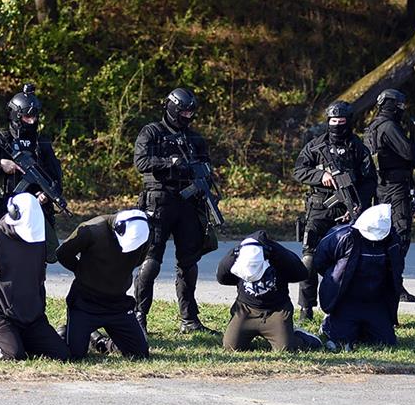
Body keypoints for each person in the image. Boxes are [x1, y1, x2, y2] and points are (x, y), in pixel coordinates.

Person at [0, 83, 63, 342]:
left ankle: (33, 320)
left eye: (35, 115)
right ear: (16, 115)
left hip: (33, 219)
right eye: (27, 115)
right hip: (0, 216)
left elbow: (55, 179)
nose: (32, 120)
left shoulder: (42, 143)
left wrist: (45, 195)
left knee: (35, 273)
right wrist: (0, 165)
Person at [132, 87, 220, 336]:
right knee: (151, 261)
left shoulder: (195, 139)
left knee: (189, 263)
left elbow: (207, 165)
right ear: (171, 108)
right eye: (182, 112)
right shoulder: (152, 132)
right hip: (159, 201)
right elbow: (141, 162)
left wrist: (203, 174)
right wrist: (169, 162)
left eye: (191, 113)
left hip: (189, 203)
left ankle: (189, 319)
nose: (187, 117)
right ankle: (140, 317)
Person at [292, 100, 377, 322]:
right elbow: (299, 171)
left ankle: (342, 307)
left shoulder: (358, 148)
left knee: (349, 261)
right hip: (319, 209)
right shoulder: (315, 146)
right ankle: (306, 308)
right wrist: (321, 176)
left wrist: (359, 205)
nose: (337, 124)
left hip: (348, 211)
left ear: (349, 122)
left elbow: (369, 181)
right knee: (308, 259)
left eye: (341, 121)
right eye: (333, 120)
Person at [0, 193, 70, 361]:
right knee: (14, 356)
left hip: (33, 317)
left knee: (62, 355)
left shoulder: (37, 240)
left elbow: (39, 279)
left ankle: (19, 340)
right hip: (1, 315)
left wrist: (39, 309)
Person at [56, 210, 151, 360]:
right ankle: (68, 330)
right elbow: (62, 253)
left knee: (139, 354)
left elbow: (138, 260)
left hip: (118, 303)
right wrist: (84, 272)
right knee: (74, 355)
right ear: (117, 229)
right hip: (85, 302)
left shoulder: (144, 233)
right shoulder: (92, 230)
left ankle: (99, 341)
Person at [315, 204, 404, 351]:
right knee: (341, 339)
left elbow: (396, 269)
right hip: (346, 299)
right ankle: (329, 323)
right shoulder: (343, 236)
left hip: (375, 300)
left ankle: (365, 326)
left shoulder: (392, 241)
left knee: (387, 341)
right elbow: (320, 261)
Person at [364, 89, 415, 303]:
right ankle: (393, 284)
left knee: (387, 234)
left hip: (384, 187)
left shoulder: (374, 126)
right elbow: (408, 152)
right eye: (399, 105)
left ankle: (387, 281)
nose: (402, 109)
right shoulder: (388, 126)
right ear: (392, 105)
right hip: (394, 187)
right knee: (401, 234)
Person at [217, 231, 322, 352]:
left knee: (285, 349)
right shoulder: (237, 255)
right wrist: (233, 254)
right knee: (231, 347)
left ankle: (298, 335)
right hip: (246, 310)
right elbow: (222, 278)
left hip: (276, 310)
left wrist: (278, 252)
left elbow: (301, 274)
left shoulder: (276, 255)